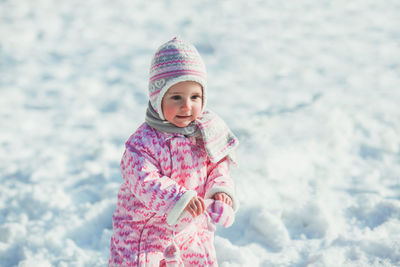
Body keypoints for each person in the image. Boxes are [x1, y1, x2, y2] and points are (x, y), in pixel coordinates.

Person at [109, 36, 239, 267]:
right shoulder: (142, 143)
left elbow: (218, 165)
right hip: (147, 233)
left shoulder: (206, 132)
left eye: (195, 97)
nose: (186, 106)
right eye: (176, 97)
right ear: (157, 97)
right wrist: (178, 198)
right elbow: (143, 180)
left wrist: (221, 191)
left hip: (192, 227)